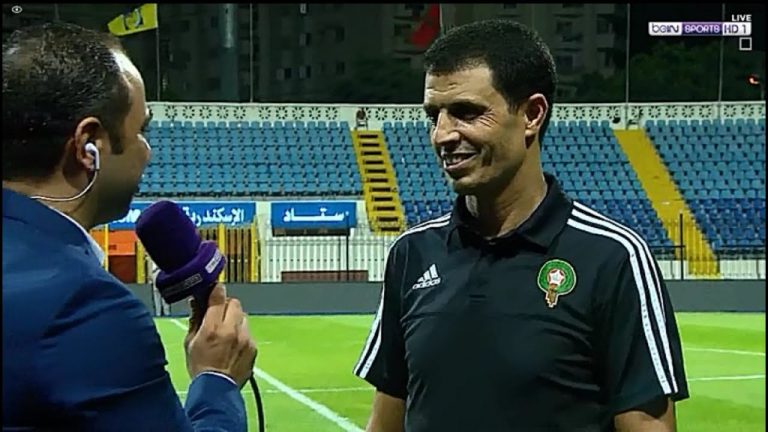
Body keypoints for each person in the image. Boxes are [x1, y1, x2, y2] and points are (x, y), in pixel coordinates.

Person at [354, 19, 689, 432]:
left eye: (466, 113)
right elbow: (385, 421)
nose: (442, 135)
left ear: (532, 114)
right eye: (434, 116)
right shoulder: (412, 254)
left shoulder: (613, 257)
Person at [2, 22, 257, 431]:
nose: (147, 151)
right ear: (89, 145)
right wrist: (217, 380)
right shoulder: (85, 307)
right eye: (141, 130)